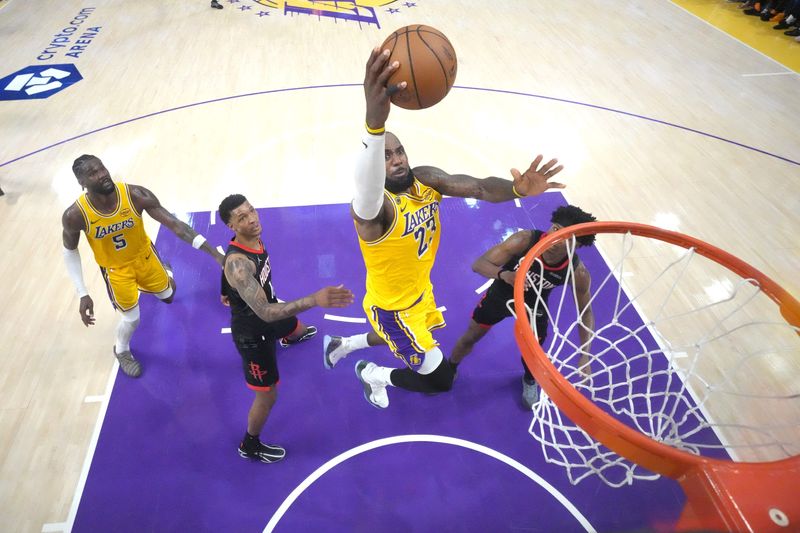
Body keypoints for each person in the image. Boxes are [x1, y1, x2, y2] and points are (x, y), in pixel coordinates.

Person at [322, 46, 567, 409]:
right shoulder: (374, 212)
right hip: (391, 307)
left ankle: (342, 345)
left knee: (404, 338)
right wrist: (374, 127)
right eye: (385, 156)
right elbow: (367, 187)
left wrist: (517, 189)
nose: (397, 160)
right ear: (374, 163)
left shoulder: (426, 179)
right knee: (439, 379)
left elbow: (480, 188)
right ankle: (373, 374)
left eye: (399, 151)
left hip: (419, 292)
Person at [61, 154, 224, 377]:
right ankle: (122, 350)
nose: (102, 175)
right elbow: (70, 250)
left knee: (168, 296)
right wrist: (82, 293)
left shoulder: (135, 195)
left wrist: (215, 254)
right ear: (82, 182)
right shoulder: (75, 215)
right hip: (116, 271)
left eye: (102, 168)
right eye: (93, 173)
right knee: (132, 318)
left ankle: (164, 270)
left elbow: (177, 226)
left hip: (145, 257)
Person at [219, 194, 353, 463]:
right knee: (267, 395)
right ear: (232, 226)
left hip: (267, 309)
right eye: (242, 217)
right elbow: (266, 312)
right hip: (253, 334)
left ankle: (290, 337)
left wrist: (225, 291)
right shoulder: (239, 265)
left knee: (293, 324)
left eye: (252, 210)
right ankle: (250, 444)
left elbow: (229, 275)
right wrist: (315, 299)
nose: (252, 219)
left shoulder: (251, 239)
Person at [449, 205, 596, 409]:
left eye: (566, 237)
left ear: (577, 245)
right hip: (502, 295)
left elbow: (585, 312)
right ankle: (450, 366)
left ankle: (529, 379)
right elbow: (478, 264)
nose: (555, 237)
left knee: (534, 352)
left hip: (534, 306)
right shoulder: (524, 240)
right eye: (555, 228)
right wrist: (505, 275)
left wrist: (585, 354)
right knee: (471, 336)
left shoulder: (578, 272)